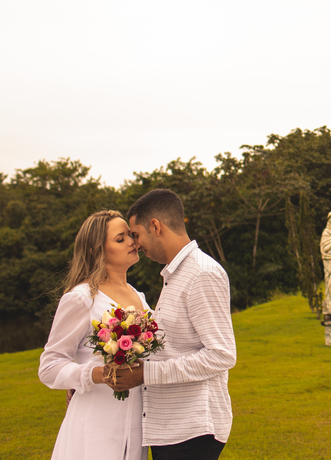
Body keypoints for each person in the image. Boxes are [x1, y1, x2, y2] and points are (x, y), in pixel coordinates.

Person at [115, 189, 236, 460]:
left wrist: (147, 374)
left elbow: (221, 354)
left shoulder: (201, 273)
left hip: (192, 429)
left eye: (136, 235)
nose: (136, 244)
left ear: (155, 226)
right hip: (172, 428)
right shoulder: (175, 274)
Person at [38, 209, 150, 460]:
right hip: (96, 427)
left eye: (131, 236)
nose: (132, 242)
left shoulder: (138, 296)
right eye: (120, 239)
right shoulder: (82, 298)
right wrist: (95, 374)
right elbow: (49, 366)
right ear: (96, 250)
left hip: (137, 427)